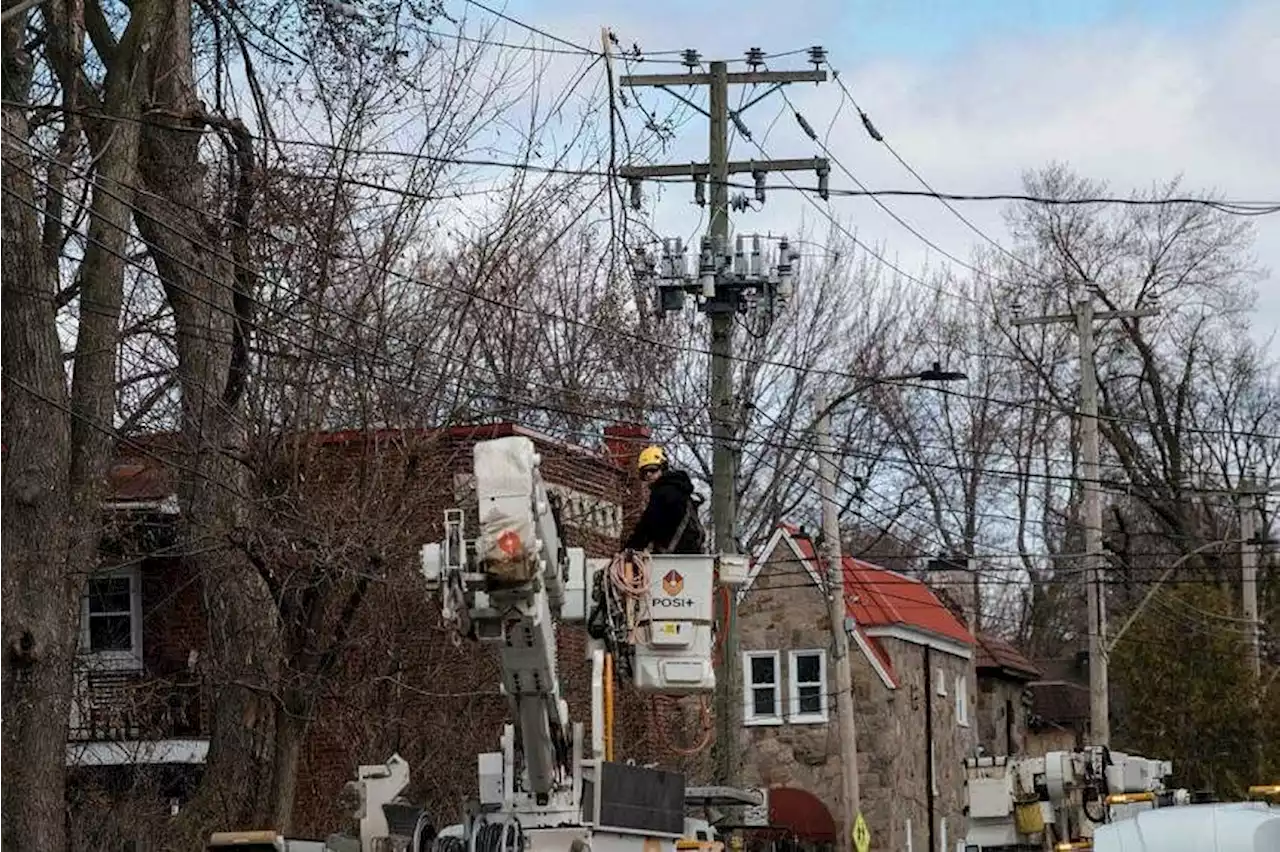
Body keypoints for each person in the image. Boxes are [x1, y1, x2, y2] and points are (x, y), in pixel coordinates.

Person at [622, 445, 705, 554]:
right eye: (644, 472)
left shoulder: (662, 493)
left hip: (671, 558)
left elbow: (647, 527)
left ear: (663, 468)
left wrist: (629, 550)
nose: (648, 475)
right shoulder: (683, 493)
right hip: (693, 557)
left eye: (653, 469)